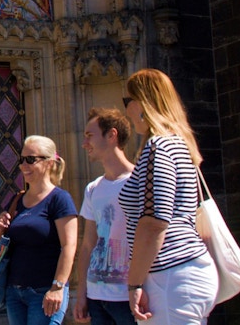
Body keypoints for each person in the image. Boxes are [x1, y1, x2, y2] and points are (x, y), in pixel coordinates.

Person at [119, 68, 217, 324]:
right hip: (180, 272)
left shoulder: (158, 147)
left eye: (127, 102)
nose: (126, 111)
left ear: (143, 103)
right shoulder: (176, 143)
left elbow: (154, 222)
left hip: (169, 273)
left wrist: (135, 283)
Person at [0, 135, 78, 325]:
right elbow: (3, 244)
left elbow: (69, 247)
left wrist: (57, 287)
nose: (24, 166)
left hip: (44, 290)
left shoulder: (59, 199)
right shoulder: (17, 199)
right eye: (21, 160)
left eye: (30, 160)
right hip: (15, 292)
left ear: (48, 163)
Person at [73, 108, 135, 325]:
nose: (84, 143)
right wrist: (82, 294)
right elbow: (88, 244)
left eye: (90, 135)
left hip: (129, 296)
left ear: (111, 135)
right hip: (97, 297)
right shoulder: (93, 188)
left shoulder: (138, 182)